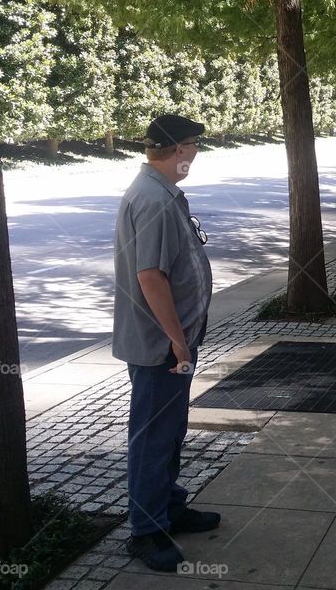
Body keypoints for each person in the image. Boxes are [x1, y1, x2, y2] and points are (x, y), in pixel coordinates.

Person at [112, 113, 218, 571]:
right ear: (180, 149)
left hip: (175, 342)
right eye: (194, 145)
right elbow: (150, 277)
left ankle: (170, 507)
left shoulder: (163, 194)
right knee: (154, 436)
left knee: (170, 430)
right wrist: (177, 342)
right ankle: (146, 530)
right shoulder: (153, 199)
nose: (195, 153)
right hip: (161, 347)